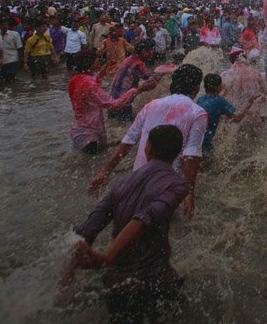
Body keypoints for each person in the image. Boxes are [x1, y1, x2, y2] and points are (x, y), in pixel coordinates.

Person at [70, 126, 189, 324]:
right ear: (178, 152)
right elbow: (144, 219)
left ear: (147, 149)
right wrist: (107, 256)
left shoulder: (122, 182)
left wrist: (67, 275)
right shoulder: (177, 184)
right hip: (155, 282)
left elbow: (88, 229)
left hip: (116, 285)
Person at [90, 65, 207, 218]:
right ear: (196, 87)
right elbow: (191, 156)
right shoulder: (197, 113)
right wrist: (189, 192)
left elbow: (128, 142)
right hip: (168, 186)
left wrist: (105, 171)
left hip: (138, 180)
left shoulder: (151, 105)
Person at [68, 50, 157, 154]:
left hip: (79, 130)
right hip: (89, 135)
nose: (99, 60)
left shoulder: (75, 80)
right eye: (96, 59)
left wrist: (104, 69)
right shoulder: (89, 85)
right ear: (90, 62)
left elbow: (92, 84)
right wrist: (138, 90)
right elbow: (114, 105)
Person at [195, 73, 262, 153]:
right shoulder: (220, 101)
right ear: (218, 87)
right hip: (206, 142)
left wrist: (224, 91)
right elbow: (237, 119)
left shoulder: (200, 99)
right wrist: (250, 102)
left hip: (196, 138)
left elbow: (214, 100)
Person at [107, 40, 156, 121]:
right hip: (122, 103)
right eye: (151, 50)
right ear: (144, 51)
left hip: (112, 101)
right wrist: (162, 72)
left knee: (116, 126)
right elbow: (151, 79)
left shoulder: (129, 59)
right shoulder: (137, 63)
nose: (152, 53)